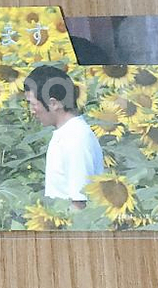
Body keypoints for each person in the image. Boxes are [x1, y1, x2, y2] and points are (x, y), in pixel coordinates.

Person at [24, 65, 104, 208]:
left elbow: (79, 203)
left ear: (53, 104)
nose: (32, 111)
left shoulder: (75, 138)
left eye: (33, 104)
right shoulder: (67, 133)